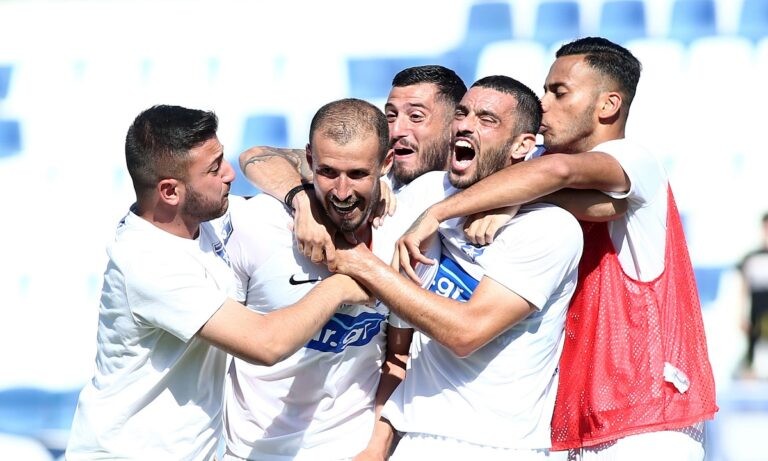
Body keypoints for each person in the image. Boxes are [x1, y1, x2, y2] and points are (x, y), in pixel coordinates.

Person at [394, 37, 718, 459]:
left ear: (608, 105)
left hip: (647, 418)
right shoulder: (538, 176)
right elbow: (558, 189)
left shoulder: (636, 160)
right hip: (574, 421)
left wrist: (439, 213)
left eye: (558, 92)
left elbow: (560, 172)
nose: (543, 104)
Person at [65, 105, 370, 460]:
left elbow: (265, 158)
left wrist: (310, 199)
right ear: (170, 192)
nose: (229, 174)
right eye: (214, 169)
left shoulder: (201, 221)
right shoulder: (148, 261)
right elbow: (266, 344)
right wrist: (342, 285)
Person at [328, 75, 584, 460]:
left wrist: (364, 266)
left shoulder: (549, 228)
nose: (465, 125)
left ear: (522, 146)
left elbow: (466, 333)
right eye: (462, 113)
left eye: (487, 119)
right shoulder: (428, 191)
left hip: (501, 447)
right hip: (415, 440)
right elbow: (399, 349)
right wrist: (301, 201)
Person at [221, 98, 439, 461]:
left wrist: (376, 449)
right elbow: (218, 349)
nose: (341, 192)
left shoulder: (404, 235)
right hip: (251, 452)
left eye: (358, 174)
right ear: (308, 160)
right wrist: (300, 200)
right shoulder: (257, 224)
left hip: (351, 450)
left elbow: (398, 356)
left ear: (386, 163)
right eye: (327, 172)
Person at [237, 65, 467, 262]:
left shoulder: (477, 192)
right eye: (391, 115)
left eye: (415, 116)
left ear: (455, 123)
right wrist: (305, 203)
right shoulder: (367, 173)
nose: (396, 130)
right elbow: (256, 156)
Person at [737, 212, 768, 379]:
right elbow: (744, 288)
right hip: (757, 311)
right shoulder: (751, 258)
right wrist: (742, 315)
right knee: (752, 350)